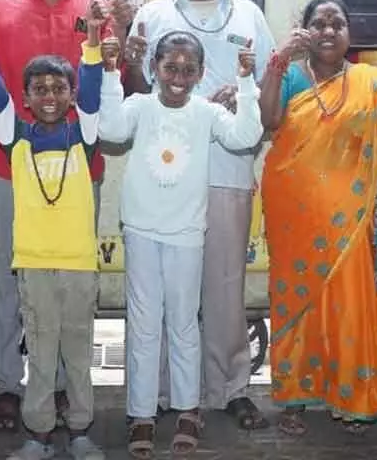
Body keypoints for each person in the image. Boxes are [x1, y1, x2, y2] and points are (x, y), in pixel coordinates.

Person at [0, 0, 130, 433]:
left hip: (78, 171)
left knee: (70, 279)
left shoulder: (94, 10)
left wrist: (118, 35)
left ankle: (58, 388)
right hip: (9, 168)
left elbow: (109, 85)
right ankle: (9, 388)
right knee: (10, 277)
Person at [121, 0, 274, 430]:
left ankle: (230, 387)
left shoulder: (250, 15)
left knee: (224, 285)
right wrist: (126, 63)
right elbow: (134, 91)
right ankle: (162, 390)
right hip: (164, 177)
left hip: (227, 169)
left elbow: (266, 85)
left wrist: (244, 95)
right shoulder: (151, 14)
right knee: (163, 293)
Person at [0, 0, 107, 460]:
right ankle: (38, 435)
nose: (50, 97)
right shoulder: (16, 140)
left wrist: (93, 41)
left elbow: (93, 87)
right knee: (41, 352)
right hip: (35, 266)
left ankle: (80, 431)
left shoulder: (83, 136)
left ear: (71, 97)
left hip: (79, 267)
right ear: (26, 99)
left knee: (78, 352)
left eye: (59, 89)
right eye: (39, 89)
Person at [99, 31, 264, 459]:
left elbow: (246, 136)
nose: (178, 77)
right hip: (141, 230)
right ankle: (141, 413)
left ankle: (188, 410)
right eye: (170, 67)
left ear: (201, 73)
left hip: (188, 233)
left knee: (184, 324)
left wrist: (246, 81)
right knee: (144, 323)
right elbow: (109, 129)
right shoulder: (140, 107)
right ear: (154, 68)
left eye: (189, 70)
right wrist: (111, 74)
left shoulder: (206, 113)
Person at [257, 0, 377, 435]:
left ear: (349, 33)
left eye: (336, 24)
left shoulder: (372, 79)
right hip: (296, 211)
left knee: (349, 303)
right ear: (304, 29)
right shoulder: (290, 74)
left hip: (353, 215)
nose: (327, 31)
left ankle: (352, 395)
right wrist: (278, 60)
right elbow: (269, 119)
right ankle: (294, 396)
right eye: (319, 23)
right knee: (296, 303)